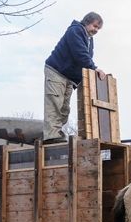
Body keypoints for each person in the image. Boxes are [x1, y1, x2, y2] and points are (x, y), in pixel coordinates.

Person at [43, 12, 107, 144]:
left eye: (98, 29)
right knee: (55, 102)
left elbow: (86, 58)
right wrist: (94, 69)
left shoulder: (89, 39)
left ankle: (57, 133)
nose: (95, 30)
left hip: (68, 76)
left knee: (64, 108)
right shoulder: (75, 31)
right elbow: (81, 55)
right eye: (94, 26)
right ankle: (51, 136)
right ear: (87, 22)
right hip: (56, 71)